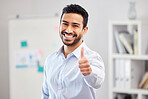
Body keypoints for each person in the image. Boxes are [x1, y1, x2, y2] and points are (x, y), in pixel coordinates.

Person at [41, 4, 105, 99]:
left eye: (75, 26)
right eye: (65, 24)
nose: (68, 30)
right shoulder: (50, 60)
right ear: (60, 25)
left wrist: (89, 72)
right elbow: (46, 94)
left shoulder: (92, 58)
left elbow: (97, 82)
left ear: (84, 30)